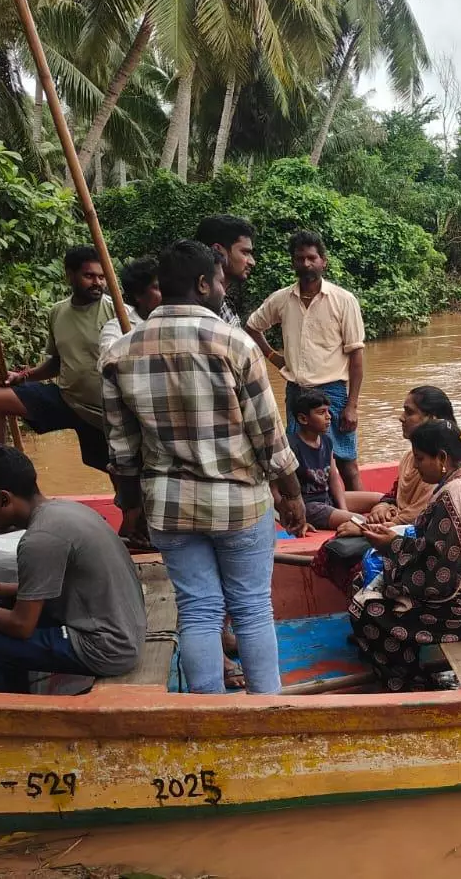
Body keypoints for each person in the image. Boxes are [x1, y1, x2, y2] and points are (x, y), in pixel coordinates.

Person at [102, 239, 305, 695]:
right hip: (238, 503)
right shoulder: (234, 345)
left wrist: (131, 510)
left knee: (198, 609)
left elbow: (122, 453)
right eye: (219, 282)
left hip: (170, 509)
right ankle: (265, 709)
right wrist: (292, 495)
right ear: (201, 284)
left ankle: (207, 709)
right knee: (252, 607)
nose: (223, 290)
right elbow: (270, 438)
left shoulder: (120, 353)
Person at [0, 445, 145, 693]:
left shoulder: (40, 539)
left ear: (4, 498)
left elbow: (21, 626)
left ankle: (8, 720)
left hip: (106, 647)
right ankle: (18, 696)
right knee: (2, 611)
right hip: (125, 629)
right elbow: (47, 587)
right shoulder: (67, 511)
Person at [351, 421, 461, 691]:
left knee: (369, 610)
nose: (415, 466)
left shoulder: (455, 494)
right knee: (365, 584)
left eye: (420, 459)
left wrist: (391, 547)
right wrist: (395, 542)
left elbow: (442, 573)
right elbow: (436, 550)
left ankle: (407, 683)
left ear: (442, 458)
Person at [245, 229, 367, 492]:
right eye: (300, 258)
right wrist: (273, 357)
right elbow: (253, 326)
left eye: (312, 258)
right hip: (297, 392)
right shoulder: (281, 299)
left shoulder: (343, 300)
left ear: (324, 261)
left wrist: (353, 406)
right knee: (296, 460)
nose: (306, 264)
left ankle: (364, 521)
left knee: (347, 461)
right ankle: (304, 517)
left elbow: (356, 356)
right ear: (293, 262)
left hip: (333, 393)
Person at [0, 245, 116, 472]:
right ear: (70, 275)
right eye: (89, 276)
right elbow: (58, 362)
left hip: (106, 412)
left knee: (119, 478)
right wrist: (23, 376)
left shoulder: (118, 312)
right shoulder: (57, 312)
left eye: (101, 277)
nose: (98, 283)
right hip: (67, 398)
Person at [335, 385, 455, 533]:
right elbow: (393, 495)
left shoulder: (442, 463)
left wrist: (366, 528)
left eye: (409, 412)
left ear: (432, 419)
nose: (401, 417)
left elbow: (422, 517)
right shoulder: (410, 457)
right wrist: (383, 506)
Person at [289, 387, 357, 531]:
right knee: (360, 521)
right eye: (321, 412)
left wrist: (343, 509)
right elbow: (279, 488)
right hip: (309, 507)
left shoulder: (326, 441)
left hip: (327, 499)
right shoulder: (292, 447)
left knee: (381, 499)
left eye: (328, 411)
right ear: (303, 419)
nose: (329, 417)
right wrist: (298, 517)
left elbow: (333, 479)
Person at [193, 214, 257, 327]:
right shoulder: (204, 307)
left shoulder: (224, 303)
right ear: (218, 250)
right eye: (245, 252)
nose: (252, 262)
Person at [97, 257, 161, 360]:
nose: (166, 292)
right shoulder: (115, 329)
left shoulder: (177, 322)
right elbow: (108, 360)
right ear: (138, 295)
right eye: (158, 287)